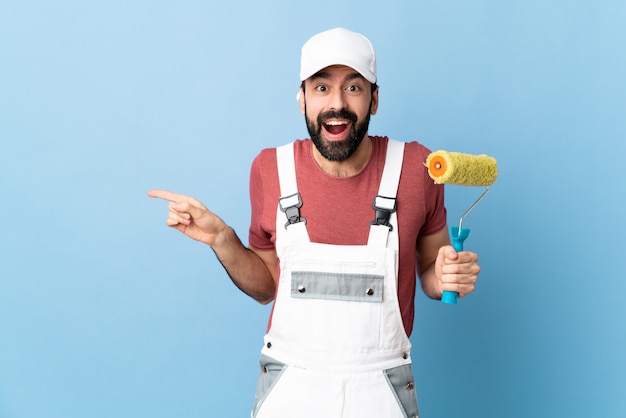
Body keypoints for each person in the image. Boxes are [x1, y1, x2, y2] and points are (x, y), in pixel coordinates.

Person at [149, 27, 480, 418]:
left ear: (375, 99)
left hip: (381, 392)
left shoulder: (416, 169)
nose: (336, 104)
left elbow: (428, 268)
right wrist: (223, 239)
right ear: (301, 98)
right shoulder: (271, 169)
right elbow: (265, 287)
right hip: (291, 389)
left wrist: (443, 277)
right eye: (321, 88)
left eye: (354, 88)